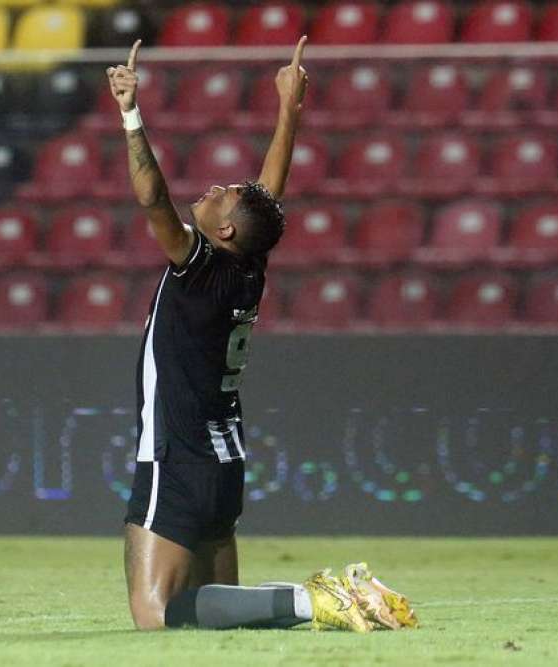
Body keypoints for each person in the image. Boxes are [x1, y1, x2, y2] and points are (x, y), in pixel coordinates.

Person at [107, 37, 418, 632]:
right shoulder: (249, 264)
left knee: (155, 614)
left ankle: (318, 599)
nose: (214, 188)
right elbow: (266, 200)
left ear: (223, 228)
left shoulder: (199, 268)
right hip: (226, 457)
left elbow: (152, 198)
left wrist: (129, 111)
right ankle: (327, 599)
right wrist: (288, 113)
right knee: (218, 611)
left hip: (179, 452)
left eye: (221, 194)